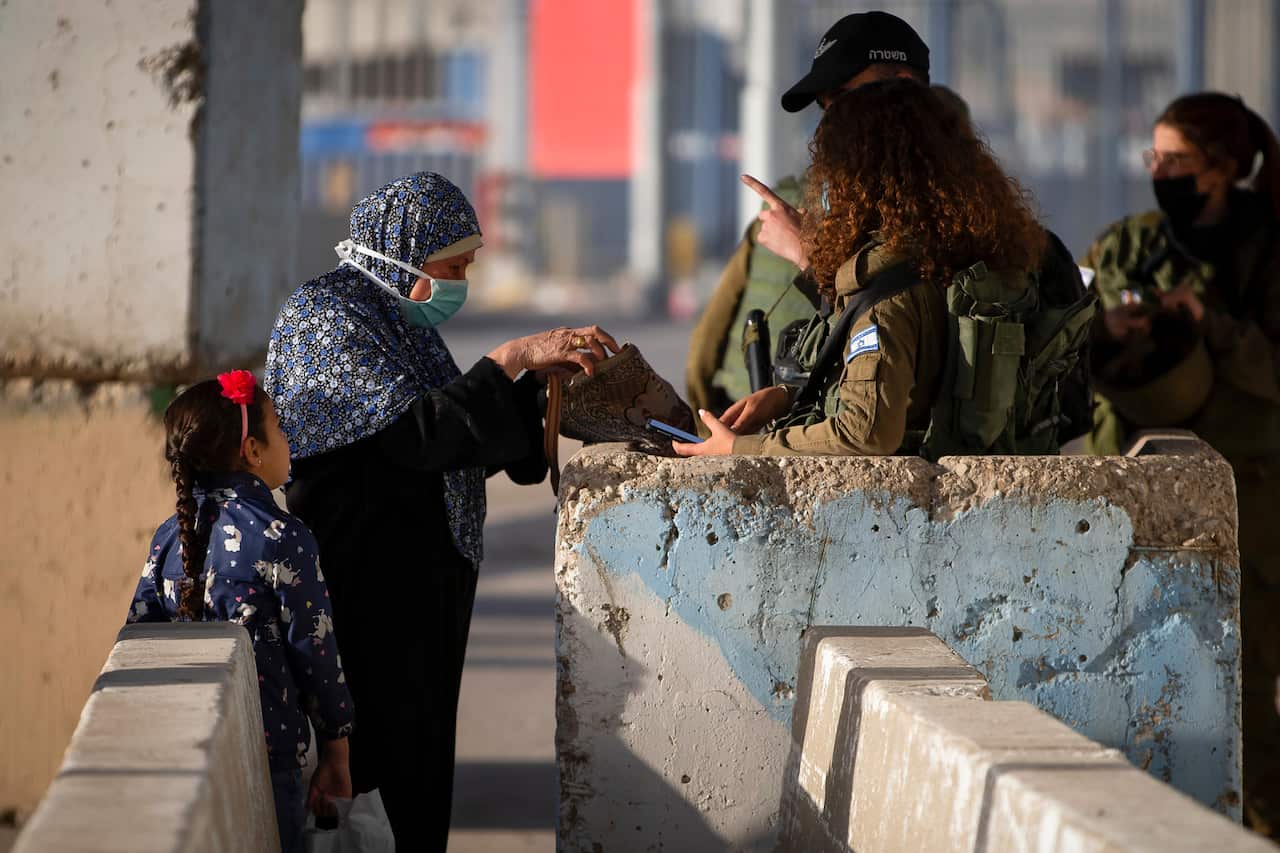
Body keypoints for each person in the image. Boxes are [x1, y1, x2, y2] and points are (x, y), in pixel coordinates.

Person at [263, 171, 617, 849]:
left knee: (420, 783)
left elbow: (450, 437)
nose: (461, 282)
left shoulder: (399, 321)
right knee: (380, 786)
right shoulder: (326, 316)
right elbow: (420, 436)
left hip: (419, 600)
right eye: (451, 267)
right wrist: (510, 358)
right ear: (401, 252)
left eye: (468, 267)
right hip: (367, 596)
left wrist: (537, 395)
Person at [1080, 92, 1280, 838]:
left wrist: (1210, 325)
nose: (1158, 172)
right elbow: (1072, 344)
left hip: (1247, 507)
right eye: (1152, 158)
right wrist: (1111, 326)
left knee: (1244, 705)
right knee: (1129, 691)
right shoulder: (1128, 246)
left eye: (1176, 161)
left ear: (1224, 169)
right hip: (1136, 496)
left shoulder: (1267, 250)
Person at [675, 80, 1048, 458]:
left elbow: (864, 432)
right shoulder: (953, 258)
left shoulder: (883, 291)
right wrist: (789, 398)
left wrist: (739, 447)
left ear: (855, 181)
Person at [126, 371, 354, 853]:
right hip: (271, 757)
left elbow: (140, 633)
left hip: (183, 750)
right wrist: (337, 747)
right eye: (279, 427)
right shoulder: (282, 537)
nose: (288, 441)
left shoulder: (168, 537)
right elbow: (315, 652)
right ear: (252, 450)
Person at [684, 10, 929, 418]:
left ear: (903, 86)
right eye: (825, 105)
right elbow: (704, 352)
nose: (833, 120)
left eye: (846, 97)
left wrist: (810, 256)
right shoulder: (780, 212)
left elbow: (896, 357)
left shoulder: (950, 219)